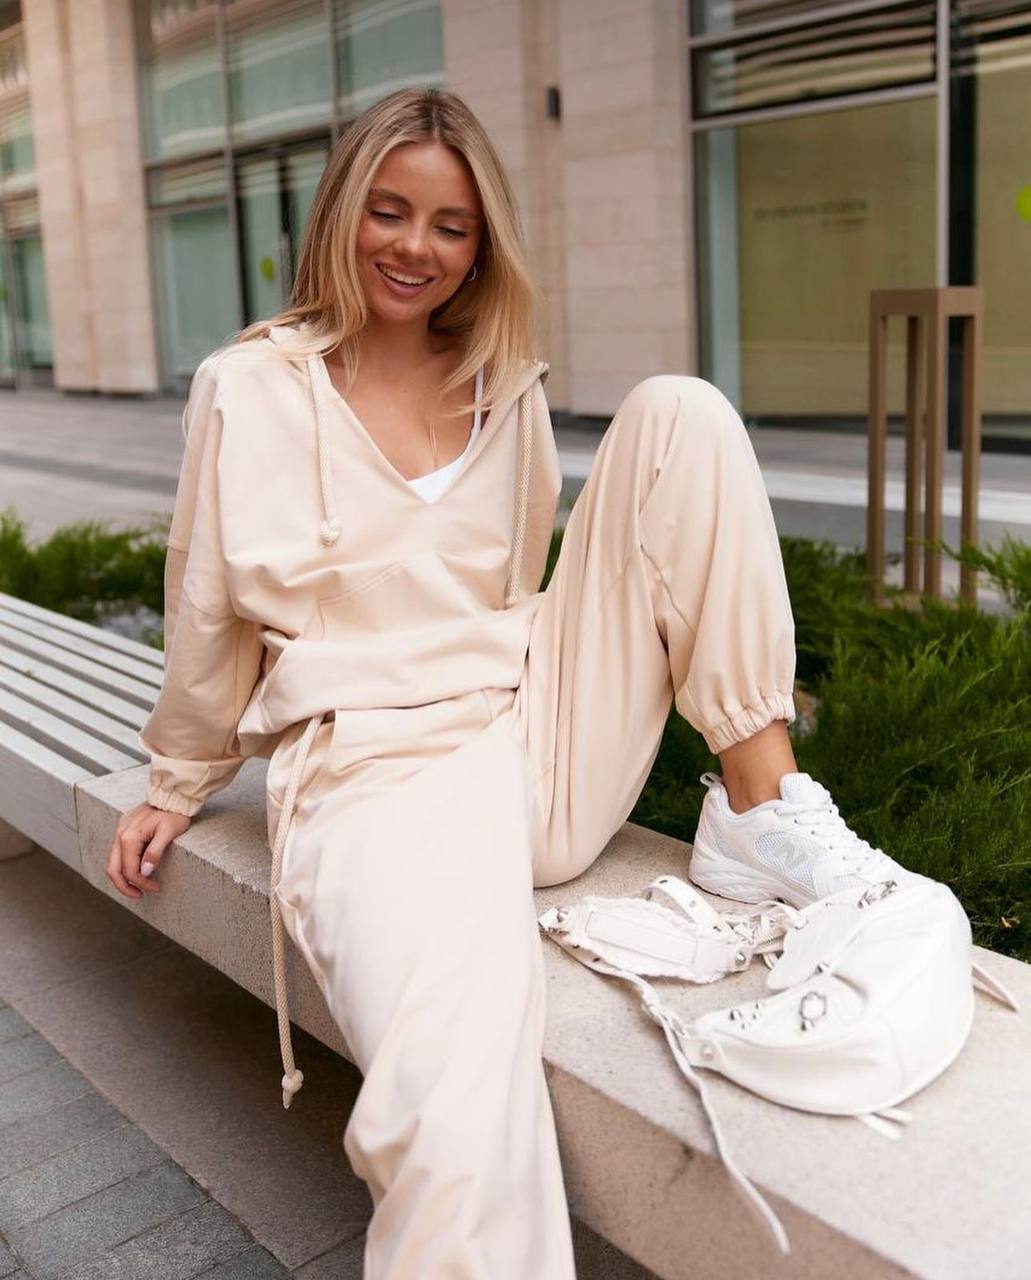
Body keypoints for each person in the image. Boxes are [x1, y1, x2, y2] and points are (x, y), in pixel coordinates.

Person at [106, 87, 921, 1278]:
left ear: (480, 244)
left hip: (527, 734)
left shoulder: (506, 386)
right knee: (454, 1113)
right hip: (375, 767)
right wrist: (178, 779)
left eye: (450, 225)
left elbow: (528, 589)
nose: (414, 247)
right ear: (341, 212)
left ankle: (760, 806)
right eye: (388, 212)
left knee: (678, 414)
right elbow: (207, 600)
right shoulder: (249, 390)